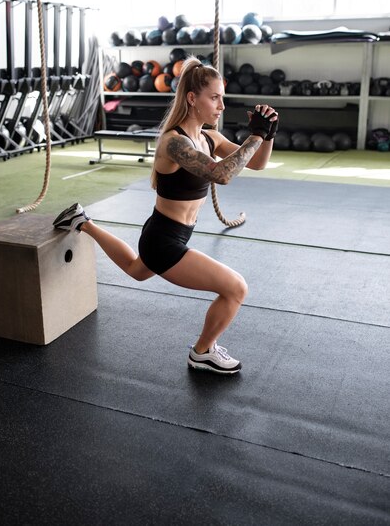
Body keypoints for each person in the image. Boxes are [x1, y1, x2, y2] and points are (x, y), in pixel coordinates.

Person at [53, 56, 278, 375]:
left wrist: (267, 135)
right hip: (164, 242)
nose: (221, 106)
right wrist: (254, 136)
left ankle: (81, 221)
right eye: (214, 97)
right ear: (192, 98)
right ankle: (202, 352)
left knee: (137, 269)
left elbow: (256, 163)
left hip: (162, 233)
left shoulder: (209, 137)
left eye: (222, 98)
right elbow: (222, 174)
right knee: (235, 288)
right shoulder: (174, 143)